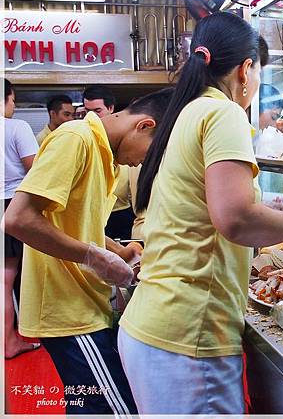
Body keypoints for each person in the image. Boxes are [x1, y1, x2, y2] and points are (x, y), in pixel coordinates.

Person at [118, 12, 283, 415]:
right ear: (246, 70)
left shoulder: (186, 113)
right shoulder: (224, 113)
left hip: (157, 324)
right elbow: (234, 219)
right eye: (259, 73)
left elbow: (200, 205)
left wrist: (260, 206)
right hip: (188, 333)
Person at [4, 88, 173, 415]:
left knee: (90, 408)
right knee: (117, 410)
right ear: (144, 125)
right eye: (150, 154)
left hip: (86, 304)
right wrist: (93, 257)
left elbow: (69, 222)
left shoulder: (104, 156)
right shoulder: (76, 139)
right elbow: (18, 218)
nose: (142, 163)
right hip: (69, 310)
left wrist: (119, 251)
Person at [1, 78, 41, 359]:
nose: (14, 107)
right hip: (10, 204)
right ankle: (10, 343)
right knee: (6, 279)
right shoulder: (16, 127)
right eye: (13, 101)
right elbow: (36, 170)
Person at [83, 85, 136, 240]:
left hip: (122, 210)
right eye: (87, 111)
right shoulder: (83, 137)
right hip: (94, 212)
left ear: (111, 108)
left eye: (97, 111)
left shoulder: (125, 135)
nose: (91, 117)